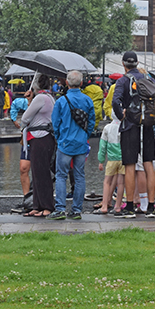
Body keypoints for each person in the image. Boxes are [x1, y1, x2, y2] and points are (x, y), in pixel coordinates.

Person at [111, 51, 155, 218]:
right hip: (147, 126)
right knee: (149, 164)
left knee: (130, 165)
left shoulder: (123, 81)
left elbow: (115, 101)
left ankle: (130, 206)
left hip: (130, 126)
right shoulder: (148, 79)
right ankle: (151, 206)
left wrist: (121, 115)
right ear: (137, 63)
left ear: (123, 64)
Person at [46, 70, 95, 220]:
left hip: (65, 143)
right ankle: (77, 210)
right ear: (81, 83)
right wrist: (85, 135)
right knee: (79, 176)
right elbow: (92, 121)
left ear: (66, 83)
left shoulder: (61, 101)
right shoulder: (87, 100)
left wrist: (59, 137)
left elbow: (55, 122)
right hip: (81, 142)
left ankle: (60, 209)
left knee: (61, 176)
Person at [19, 75, 56, 218]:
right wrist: (30, 100)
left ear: (35, 85)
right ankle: (37, 205)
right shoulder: (50, 97)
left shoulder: (40, 98)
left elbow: (25, 118)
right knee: (37, 173)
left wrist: (30, 102)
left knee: (41, 173)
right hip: (45, 137)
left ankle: (46, 206)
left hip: (39, 137)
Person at [96, 114, 123, 215]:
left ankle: (104, 205)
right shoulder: (124, 126)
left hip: (111, 160)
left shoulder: (107, 128)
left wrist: (101, 161)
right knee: (121, 183)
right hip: (123, 159)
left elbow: (102, 146)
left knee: (107, 182)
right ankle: (118, 206)